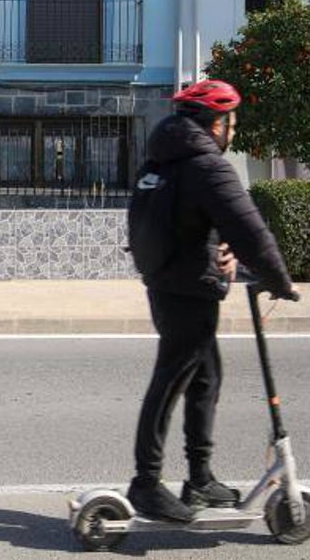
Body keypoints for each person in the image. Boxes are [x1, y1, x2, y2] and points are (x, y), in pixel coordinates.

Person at [127, 79, 298, 523]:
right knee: (171, 381)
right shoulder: (206, 166)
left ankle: (199, 479)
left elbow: (186, 222)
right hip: (188, 290)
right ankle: (146, 484)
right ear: (216, 123)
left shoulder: (161, 160)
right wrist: (280, 280)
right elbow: (249, 227)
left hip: (166, 283)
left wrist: (222, 251)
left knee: (206, 379)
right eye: (232, 123)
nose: (234, 133)